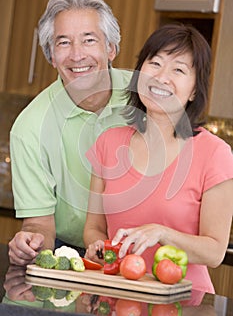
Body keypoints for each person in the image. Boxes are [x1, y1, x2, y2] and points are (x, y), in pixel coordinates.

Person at [83, 23, 233, 293]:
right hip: (115, 296)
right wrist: (97, 245)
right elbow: (94, 227)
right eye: (155, 64)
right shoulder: (108, 142)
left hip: (185, 303)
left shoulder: (215, 153)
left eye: (178, 70)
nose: (161, 77)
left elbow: (215, 252)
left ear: (195, 90)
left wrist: (162, 233)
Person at [8, 0, 132, 266]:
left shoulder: (146, 99)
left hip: (144, 247)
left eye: (89, 40)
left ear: (110, 48)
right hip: (72, 252)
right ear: (51, 56)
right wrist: (31, 242)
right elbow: (40, 224)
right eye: (63, 43)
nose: (77, 55)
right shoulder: (29, 128)